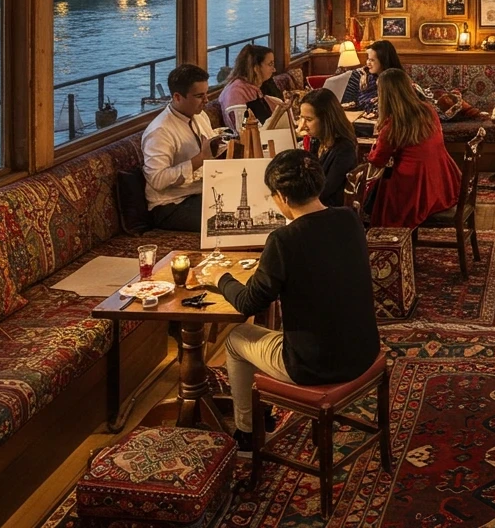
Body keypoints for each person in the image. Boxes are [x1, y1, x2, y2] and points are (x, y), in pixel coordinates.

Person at [194, 149, 380, 451]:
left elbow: (248, 304)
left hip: (315, 365)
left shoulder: (284, 239)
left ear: (280, 195)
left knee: (236, 338)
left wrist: (219, 278)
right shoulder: (349, 218)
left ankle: (246, 433)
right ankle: (261, 412)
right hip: (364, 348)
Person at [365, 68, 460, 227]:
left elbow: (377, 160)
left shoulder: (393, 125)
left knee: (373, 190)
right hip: (440, 181)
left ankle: (374, 233)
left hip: (413, 189)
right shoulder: (427, 110)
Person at [141, 64, 218, 232]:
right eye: (199, 96)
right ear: (177, 97)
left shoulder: (200, 116)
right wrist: (200, 159)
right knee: (225, 220)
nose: (206, 100)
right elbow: (157, 180)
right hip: (170, 205)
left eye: (207, 93)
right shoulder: (160, 131)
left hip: (199, 192)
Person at [296, 88, 358, 208]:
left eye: (308, 120)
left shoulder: (344, 149)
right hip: (317, 206)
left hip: (331, 212)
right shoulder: (317, 140)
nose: (302, 126)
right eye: (301, 118)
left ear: (326, 119)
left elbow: (324, 191)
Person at [219, 44, 282, 131]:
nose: (274, 69)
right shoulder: (236, 92)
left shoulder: (255, 87)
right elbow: (244, 131)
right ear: (255, 68)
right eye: (270, 64)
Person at [341, 40, 403, 112]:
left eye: (372, 60)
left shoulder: (398, 81)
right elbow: (348, 103)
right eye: (368, 59)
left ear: (384, 61)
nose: (368, 63)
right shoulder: (361, 76)